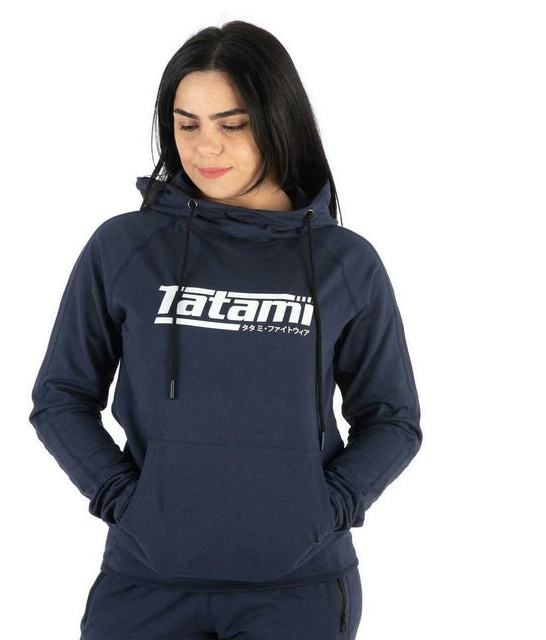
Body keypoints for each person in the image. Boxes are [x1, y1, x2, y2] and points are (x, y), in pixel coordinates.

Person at [28, 20, 422, 640]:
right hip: (145, 583)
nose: (205, 148)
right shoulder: (124, 247)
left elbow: (393, 418)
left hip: (298, 591)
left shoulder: (346, 262)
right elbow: (60, 397)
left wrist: (328, 508)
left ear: (279, 121)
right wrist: (123, 501)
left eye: (232, 125)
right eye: (187, 125)